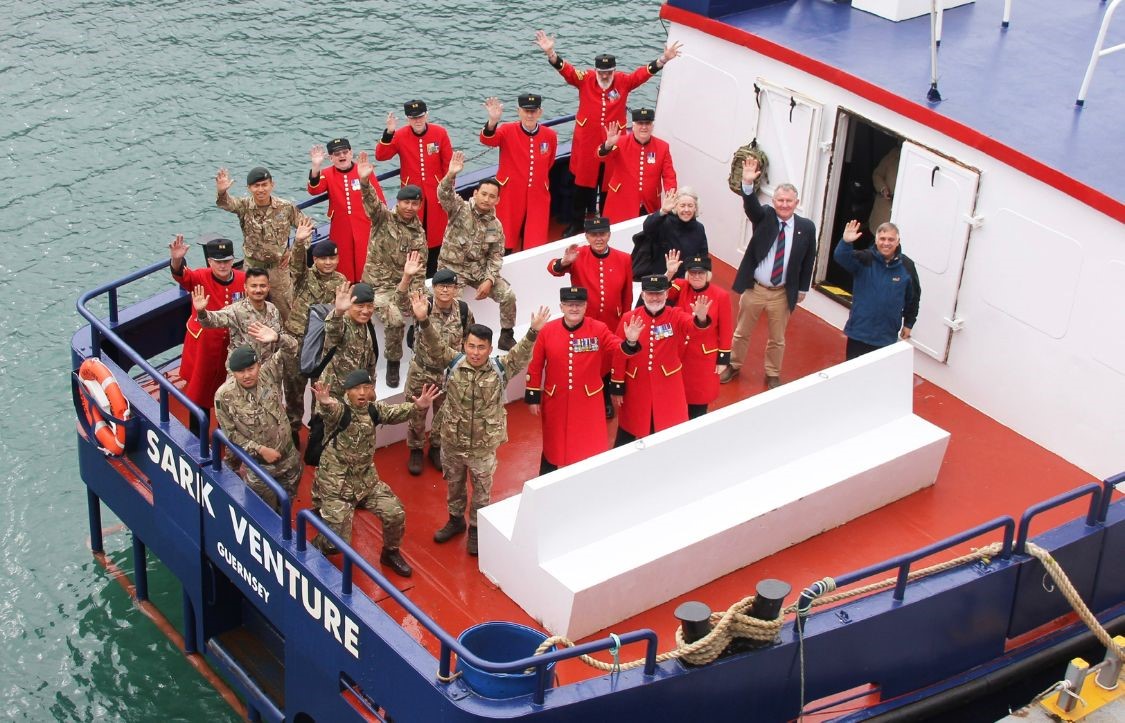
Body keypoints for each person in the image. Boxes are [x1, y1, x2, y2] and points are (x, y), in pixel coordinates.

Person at [411, 295, 550, 555]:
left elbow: (520, 355)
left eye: (481, 347)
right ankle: (455, 521)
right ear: (464, 345)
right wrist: (423, 320)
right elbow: (434, 344)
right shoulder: (452, 362)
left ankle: (476, 528)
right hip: (452, 441)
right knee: (453, 484)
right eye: (471, 346)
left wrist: (533, 331)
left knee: (482, 491)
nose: (475, 352)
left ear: (489, 348)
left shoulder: (500, 369)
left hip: (483, 447)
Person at [534, 30, 683, 234]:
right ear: (595, 70)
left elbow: (643, 74)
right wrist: (551, 53)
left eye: (609, 72)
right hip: (587, 144)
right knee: (582, 186)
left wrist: (664, 58)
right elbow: (567, 71)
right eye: (601, 72)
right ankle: (577, 224)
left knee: (609, 186)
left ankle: (605, 222)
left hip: (614, 144)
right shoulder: (585, 79)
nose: (605, 76)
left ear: (614, 70)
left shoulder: (623, 81)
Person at [309, 369, 440, 577]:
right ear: (347, 392)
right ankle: (316, 547)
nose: (362, 393)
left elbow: (394, 413)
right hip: (337, 484)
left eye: (366, 388)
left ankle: (390, 553)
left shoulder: (372, 410)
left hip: (365, 481)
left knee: (395, 513)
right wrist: (324, 401)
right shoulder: (340, 411)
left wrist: (417, 406)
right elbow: (330, 411)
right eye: (356, 389)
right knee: (337, 543)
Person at [723, 156, 817, 390]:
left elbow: (808, 259)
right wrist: (747, 184)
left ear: (797, 203)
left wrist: (803, 288)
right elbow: (751, 206)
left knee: (778, 338)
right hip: (756, 288)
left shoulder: (806, 227)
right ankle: (733, 365)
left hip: (781, 293)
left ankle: (772, 373)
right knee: (742, 332)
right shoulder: (764, 216)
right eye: (780, 200)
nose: (784, 205)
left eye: (789, 201)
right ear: (773, 201)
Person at [526, 287, 642, 474]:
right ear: (561, 306)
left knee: (589, 444)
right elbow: (536, 365)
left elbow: (616, 349)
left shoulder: (598, 328)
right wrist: (533, 395)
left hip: (588, 400)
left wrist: (630, 342)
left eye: (578, 304)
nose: (574, 308)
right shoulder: (547, 331)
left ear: (586, 306)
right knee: (553, 445)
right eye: (569, 304)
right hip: (557, 400)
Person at [546, 216, 634, 417]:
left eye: (602, 234)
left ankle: (606, 397)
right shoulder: (577, 255)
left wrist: (625, 319)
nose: (598, 239)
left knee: (609, 359)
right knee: (588, 359)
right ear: (586, 236)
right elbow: (552, 269)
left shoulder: (624, 258)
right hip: (585, 321)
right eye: (594, 235)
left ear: (609, 235)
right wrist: (564, 261)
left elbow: (627, 294)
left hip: (613, 320)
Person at [610, 274, 712, 446]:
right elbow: (618, 355)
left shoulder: (676, 315)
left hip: (668, 385)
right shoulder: (629, 318)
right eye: (650, 294)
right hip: (637, 385)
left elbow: (692, 327)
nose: (655, 298)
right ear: (642, 295)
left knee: (668, 430)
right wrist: (618, 386)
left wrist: (700, 318)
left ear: (666, 294)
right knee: (629, 429)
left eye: (659, 293)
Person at [397, 256, 473, 475]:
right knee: (417, 414)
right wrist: (407, 277)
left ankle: (436, 447)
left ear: (456, 289)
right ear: (434, 288)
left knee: (444, 414)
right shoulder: (424, 305)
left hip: (448, 374)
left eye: (449, 286)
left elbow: (469, 338)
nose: (445, 291)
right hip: (422, 371)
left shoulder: (464, 310)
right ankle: (416, 450)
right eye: (441, 286)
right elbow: (401, 302)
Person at [357, 150, 427, 387]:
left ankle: (423, 355)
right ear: (398, 202)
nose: (409, 207)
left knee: (427, 310)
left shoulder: (418, 235)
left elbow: (418, 271)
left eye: (414, 203)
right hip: (376, 287)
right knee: (395, 319)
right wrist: (365, 181)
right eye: (406, 202)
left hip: (402, 286)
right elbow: (370, 202)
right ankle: (394, 364)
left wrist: (417, 301)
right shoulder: (382, 219)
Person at [436, 150, 519, 350]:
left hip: (478, 271)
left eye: (492, 196)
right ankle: (456, 346)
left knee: (508, 295)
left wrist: (489, 280)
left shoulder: (495, 225)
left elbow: (496, 255)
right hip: (451, 270)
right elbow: (443, 195)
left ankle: (506, 335)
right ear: (475, 194)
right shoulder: (459, 208)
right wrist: (451, 174)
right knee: (450, 307)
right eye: (483, 194)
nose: (487, 199)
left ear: (497, 200)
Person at [213, 325, 301, 512]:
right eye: (241, 372)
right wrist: (260, 449)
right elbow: (231, 434)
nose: (247, 375)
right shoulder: (224, 396)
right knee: (265, 515)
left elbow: (293, 348)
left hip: (290, 460)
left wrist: (277, 337)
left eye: (251, 369)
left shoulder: (269, 373)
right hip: (260, 469)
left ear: (258, 365)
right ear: (232, 372)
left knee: (285, 510)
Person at [281, 219, 349, 440]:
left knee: (320, 388)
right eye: (323, 259)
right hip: (297, 338)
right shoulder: (305, 276)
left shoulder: (341, 281)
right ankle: (293, 429)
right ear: (315, 260)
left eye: (333, 258)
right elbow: (296, 265)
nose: (328, 263)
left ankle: (316, 430)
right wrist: (299, 243)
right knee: (294, 388)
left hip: (322, 343)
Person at [169, 234, 246, 419]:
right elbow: (181, 275)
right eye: (218, 261)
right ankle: (197, 436)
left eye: (227, 261)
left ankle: (224, 433)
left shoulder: (243, 279)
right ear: (209, 261)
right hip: (204, 346)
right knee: (199, 392)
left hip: (230, 346)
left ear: (233, 260)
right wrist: (176, 259)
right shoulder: (199, 277)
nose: (222, 265)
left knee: (229, 394)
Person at [215, 166, 306, 323]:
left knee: (286, 311)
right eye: (256, 186)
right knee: (251, 312)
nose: (261, 189)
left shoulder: (286, 207)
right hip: (252, 269)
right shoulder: (244, 206)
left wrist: (294, 252)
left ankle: (288, 345)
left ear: (272, 185)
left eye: (264, 185)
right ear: (249, 188)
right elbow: (226, 203)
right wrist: (222, 192)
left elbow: (307, 228)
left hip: (279, 270)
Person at [376, 101, 453, 276]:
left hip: (435, 194)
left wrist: (447, 191)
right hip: (411, 196)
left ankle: (435, 273)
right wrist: (389, 132)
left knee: (436, 236)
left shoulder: (439, 132)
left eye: (420, 116)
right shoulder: (400, 135)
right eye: (413, 118)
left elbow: (448, 164)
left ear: (427, 115)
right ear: (407, 119)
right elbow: (381, 155)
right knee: (411, 237)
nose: (417, 121)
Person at [478, 94, 558, 251]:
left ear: (540, 113)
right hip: (511, 192)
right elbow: (488, 140)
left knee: (535, 239)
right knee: (504, 236)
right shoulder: (507, 130)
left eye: (533, 111)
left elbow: (549, 162)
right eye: (526, 111)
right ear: (519, 111)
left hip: (537, 193)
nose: (529, 115)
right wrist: (493, 121)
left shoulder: (550, 135)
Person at [835, 220, 921, 360]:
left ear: (898, 241)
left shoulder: (907, 266)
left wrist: (909, 323)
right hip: (859, 332)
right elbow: (841, 257)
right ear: (876, 240)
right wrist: (845, 242)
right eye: (882, 239)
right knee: (853, 376)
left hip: (886, 335)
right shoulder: (865, 258)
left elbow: (913, 297)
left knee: (876, 377)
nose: (886, 243)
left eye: (891, 239)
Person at [307, 138, 385, 283]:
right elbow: (314, 190)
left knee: (366, 258)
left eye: (344, 152)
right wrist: (316, 166)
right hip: (341, 226)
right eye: (337, 154)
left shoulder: (362, 169)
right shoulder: (327, 173)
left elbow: (379, 199)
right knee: (343, 262)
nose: (342, 156)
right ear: (331, 158)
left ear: (351, 153)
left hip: (364, 223)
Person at [666, 253, 732, 418]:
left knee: (698, 403)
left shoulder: (720, 296)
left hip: (703, 358)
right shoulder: (681, 286)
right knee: (675, 400)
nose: (696, 276)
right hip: (679, 354)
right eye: (693, 273)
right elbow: (660, 294)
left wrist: (723, 358)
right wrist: (669, 273)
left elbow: (726, 328)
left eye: (701, 273)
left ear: (708, 274)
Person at [598, 109, 677, 224]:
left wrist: (671, 195)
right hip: (621, 200)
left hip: (649, 203)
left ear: (652, 126)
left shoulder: (662, 147)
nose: (644, 127)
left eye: (647, 123)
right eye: (640, 123)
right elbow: (600, 156)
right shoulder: (620, 142)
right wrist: (608, 145)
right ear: (633, 126)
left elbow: (669, 175)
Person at [193, 266, 281, 357]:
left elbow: (279, 336)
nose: (258, 290)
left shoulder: (272, 309)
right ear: (245, 287)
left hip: (268, 366)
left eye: (262, 286)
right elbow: (212, 320)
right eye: (253, 286)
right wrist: (201, 311)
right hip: (245, 368)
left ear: (268, 287)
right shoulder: (236, 310)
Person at [320, 282, 379, 400]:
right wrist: (338, 312)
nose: (366, 311)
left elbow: (371, 359)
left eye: (370, 306)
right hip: (335, 394)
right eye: (360, 306)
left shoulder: (368, 325)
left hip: (358, 393)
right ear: (349, 305)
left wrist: (371, 387)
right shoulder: (342, 322)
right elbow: (332, 329)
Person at [641, 188, 707, 278]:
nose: (686, 209)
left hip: (687, 280)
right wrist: (663, 211)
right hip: (662, 279)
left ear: (695, 208)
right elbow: (647, 228)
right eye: (682, 205)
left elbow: (703, 256)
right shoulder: (664, 222)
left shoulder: (699, 228)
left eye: (690, 206)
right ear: (675, 206)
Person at [868, 145, 901, 232]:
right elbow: (877, 174)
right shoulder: (894, 155)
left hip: (901, 218)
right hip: (883, 213)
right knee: (875, 241)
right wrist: (883, 189)